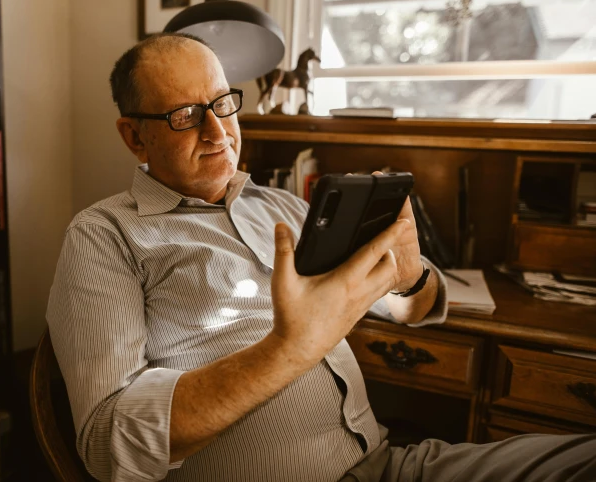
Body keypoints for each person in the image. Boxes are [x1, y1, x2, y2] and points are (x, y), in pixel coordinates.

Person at [46, 33, 595, 482]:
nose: (218, 132)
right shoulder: (104, 235)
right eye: (186, 116)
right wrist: (288, 349)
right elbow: (107, 445)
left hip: (387, 466)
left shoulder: (286, 205)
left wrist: (407, 278)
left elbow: (407, 310)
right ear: (134, 138)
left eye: (220, 103)